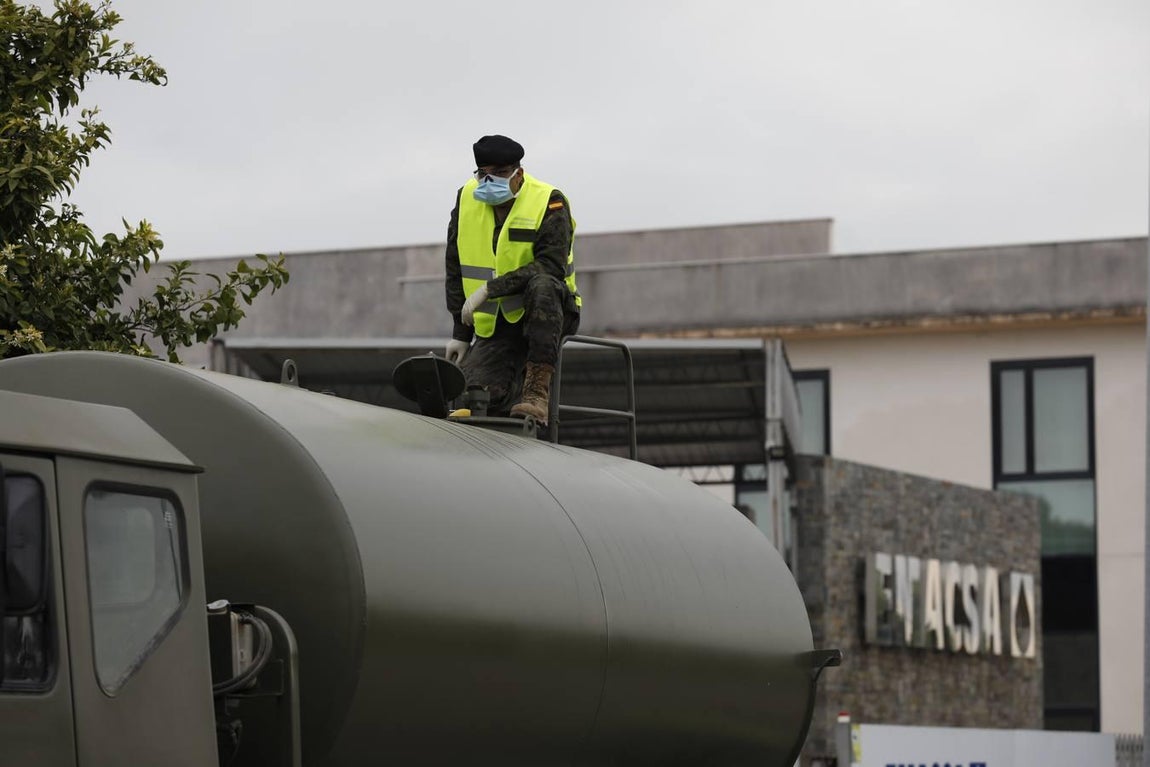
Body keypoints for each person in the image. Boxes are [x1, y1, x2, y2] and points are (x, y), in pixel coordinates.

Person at [444, 135, 581, 424]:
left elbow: (550, 266)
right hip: (497, 324)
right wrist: (460, 332)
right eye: (484, 174)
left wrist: (489, 290)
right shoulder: (466, 199)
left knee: (543, 285)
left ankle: (536, 393)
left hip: (549, 312)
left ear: (518, 173)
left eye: (501, 173)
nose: (490, 181)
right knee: (475, 399)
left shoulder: (549, 201)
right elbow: (455, 264)